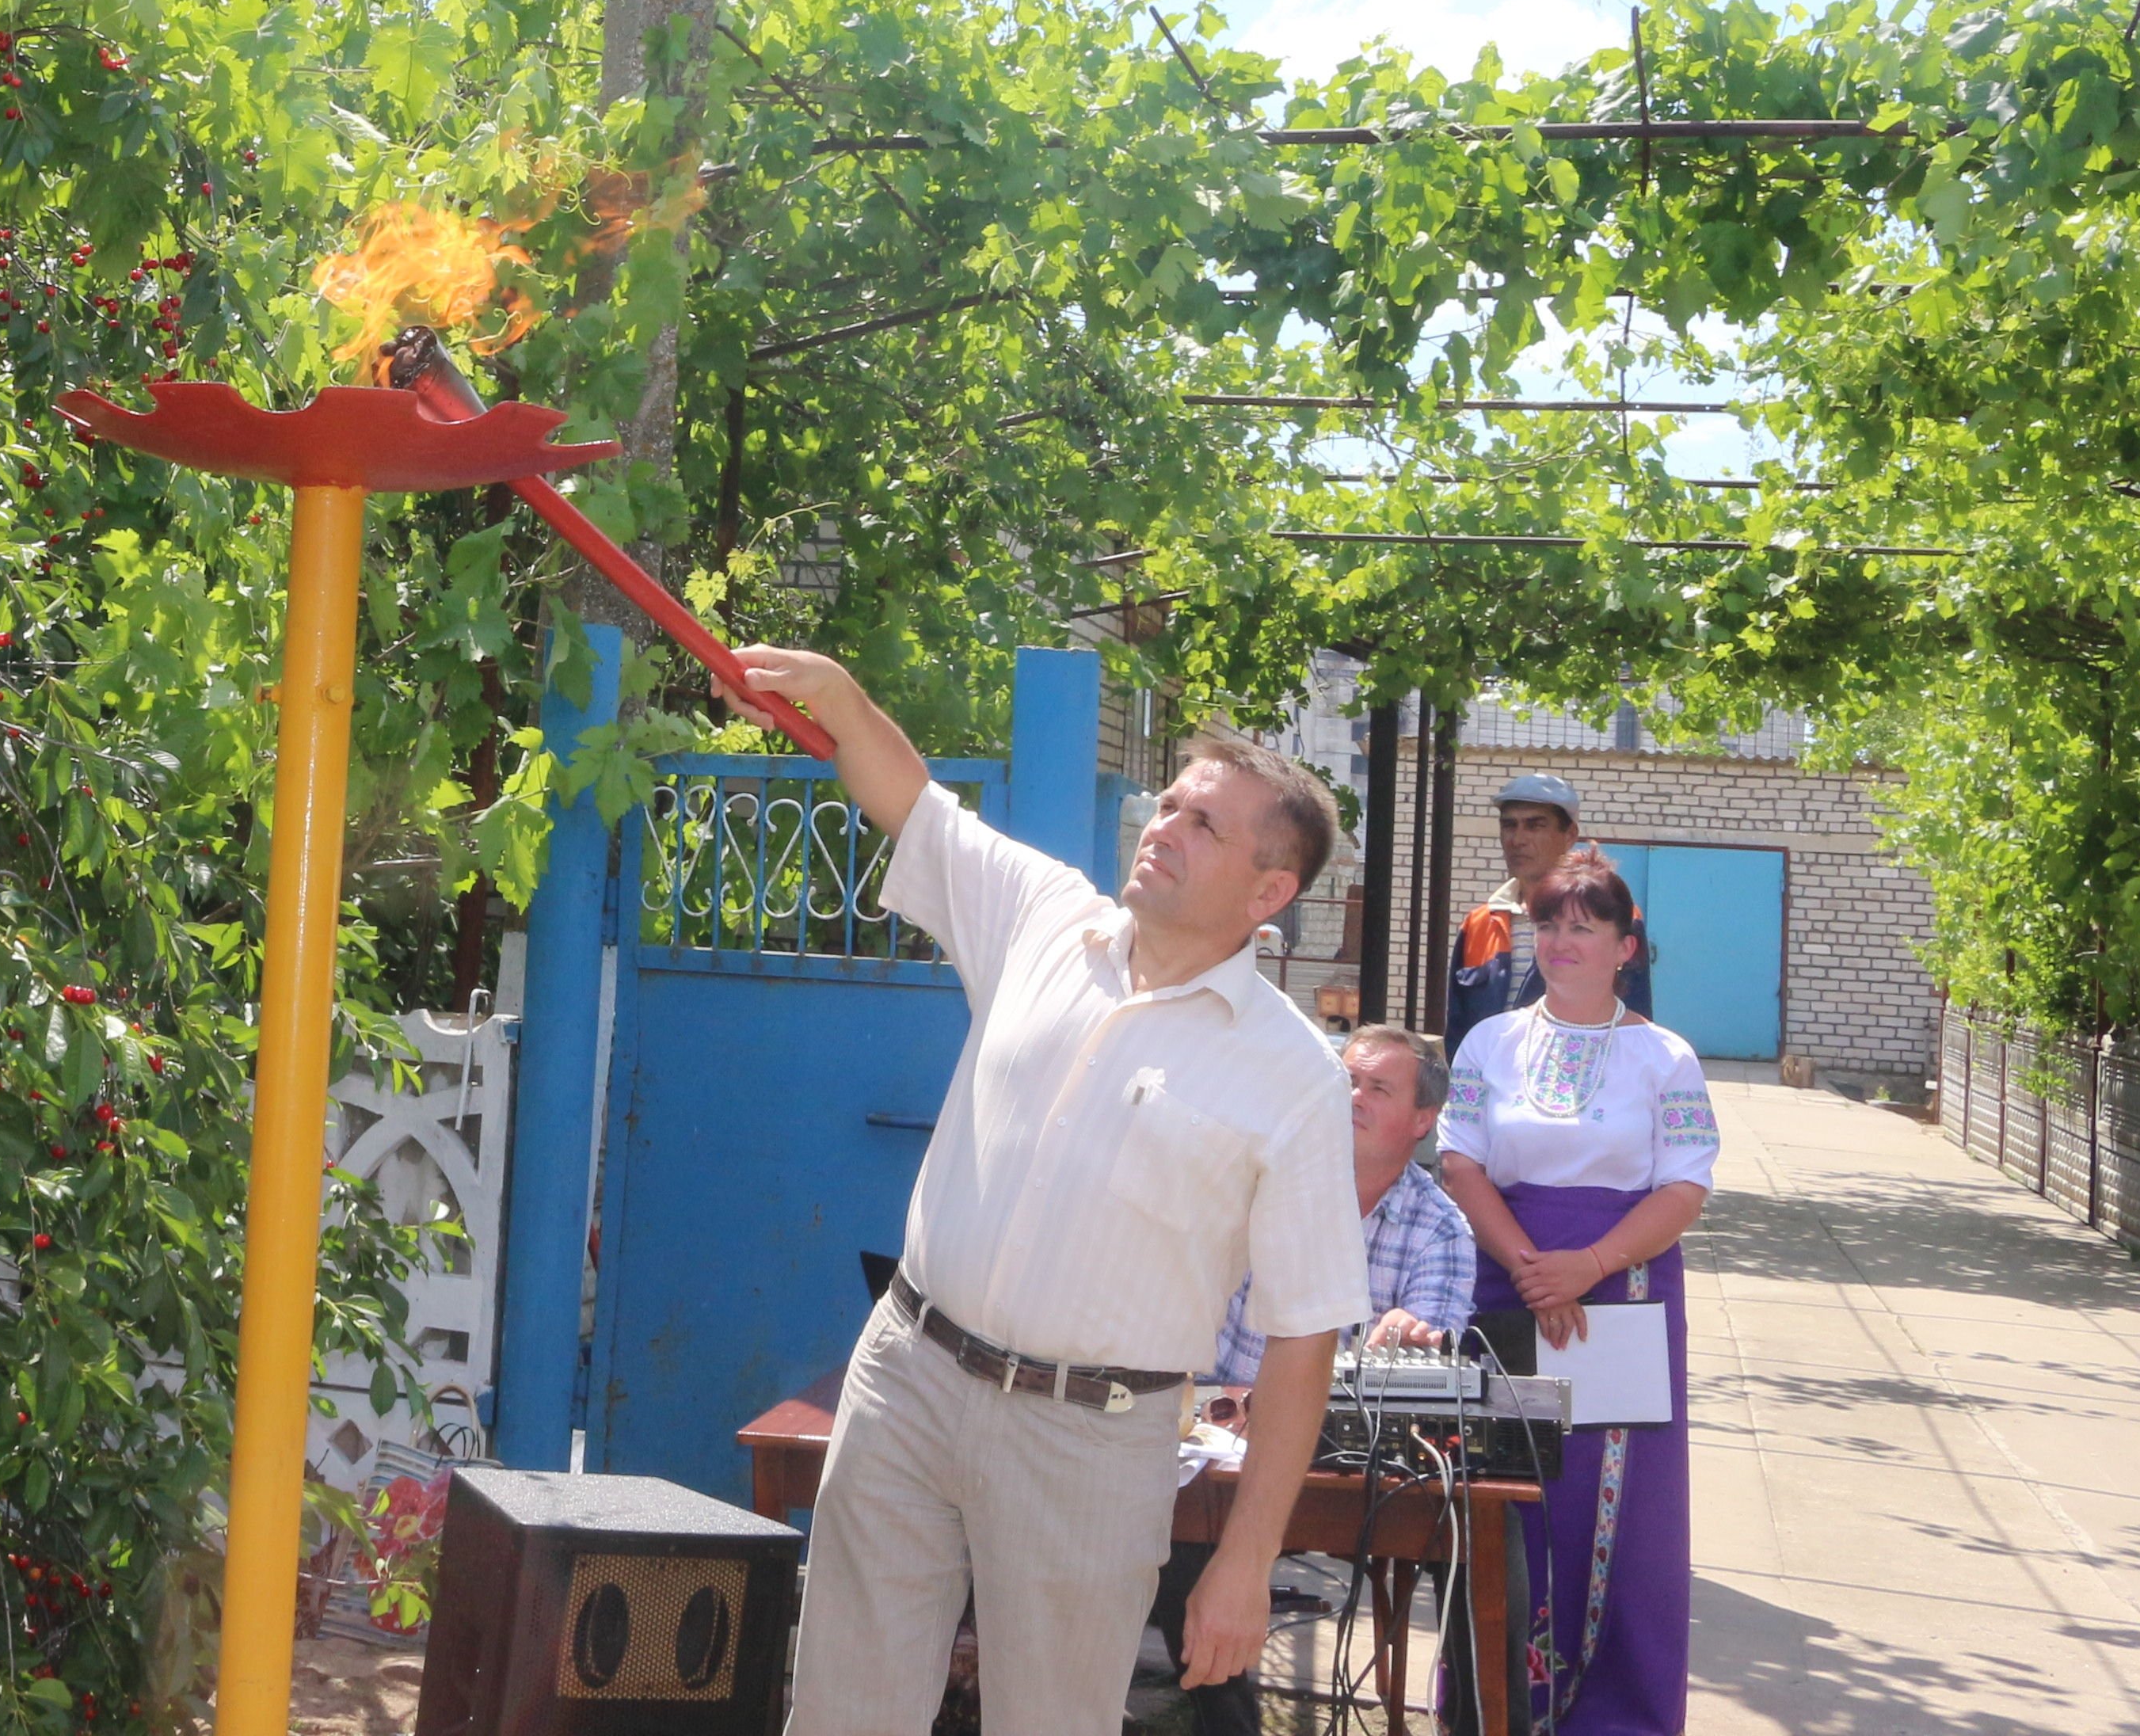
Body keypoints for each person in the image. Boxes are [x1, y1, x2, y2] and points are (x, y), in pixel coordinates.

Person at [721, 646, 1366, 1736]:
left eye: (1203, 824)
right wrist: (837, 692)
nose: (1163, 826)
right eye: (1169, 803)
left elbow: (1306, 1337)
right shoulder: (1044, 917)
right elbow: (914, 804)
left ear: (1271, 891)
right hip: (908, 1377)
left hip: (1094, 1441)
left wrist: (1247, 1563)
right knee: (840, 1711)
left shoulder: (1295, 1074)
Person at [1434, 858, 1714, 1735]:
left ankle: (1618, 1716)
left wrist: (1586, 1265)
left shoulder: (1664, 1056)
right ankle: (1495, 1706)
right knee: (1508, 1496)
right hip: (1508, 1281)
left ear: (1625, 948)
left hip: (1621, 1293)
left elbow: (1686, 1188)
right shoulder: (1490, 1045)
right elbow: (1459, 1161)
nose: (1559, 943)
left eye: (1583, 928)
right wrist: (1529, 1266)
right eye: (1549, 925)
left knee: (1621, 1516)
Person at [1147, 1026, 1479, 1736]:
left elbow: (1431, 1348)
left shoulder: (1440, 1229)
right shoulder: (1258, 1182)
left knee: (1482, 1542)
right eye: (1345, 1082)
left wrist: (1408, 1341)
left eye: (1377, 1088)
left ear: (1422, 1122)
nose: (1352, 1097)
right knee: (1170, 1545)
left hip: (1336, 1456)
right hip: (1213, 1434)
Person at [1444, 774, 1651, 1056]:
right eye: (1509, 826)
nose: (1518, 839)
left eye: (1535, 826)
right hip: (1491, 1088)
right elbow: (1458, 1028)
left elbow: (1633, 1017)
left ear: (1570, 835)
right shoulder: (1480, 923)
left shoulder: (1612, 916)